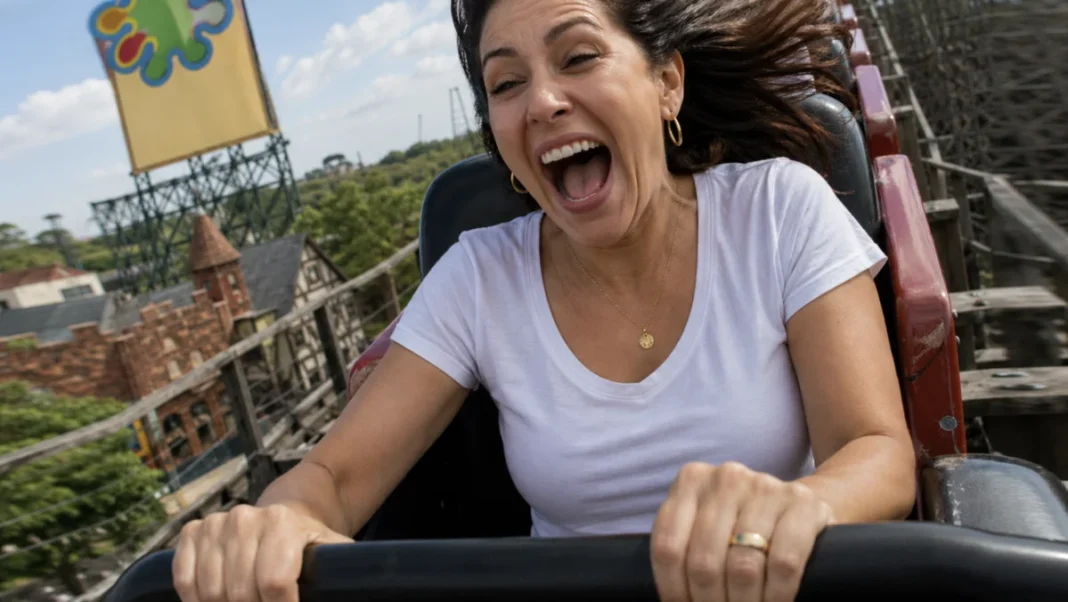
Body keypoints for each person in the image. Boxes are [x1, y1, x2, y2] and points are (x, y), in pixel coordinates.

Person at [172, 0, 917, 600]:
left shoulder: (779, 210)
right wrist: (274, 525)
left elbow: (875, 450)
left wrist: (800, 506)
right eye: (506, 84)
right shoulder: (479, 279)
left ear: (667, 83)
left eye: (579, 57)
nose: (543, 102)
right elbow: (333, 479)